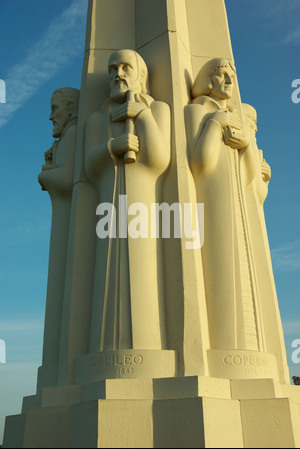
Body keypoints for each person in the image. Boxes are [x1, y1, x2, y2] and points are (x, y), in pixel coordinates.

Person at [85, 50, 171, 352]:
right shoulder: (98, 118)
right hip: (108, 202)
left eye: (125, 67)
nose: (117, 74)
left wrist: (141, 115)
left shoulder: (157, 109)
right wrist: (112, 146)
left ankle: (147, 343)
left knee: (143, 268)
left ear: (141, 75)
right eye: (111, 68)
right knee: (106, 273)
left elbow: (160, 158)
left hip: (144, 199)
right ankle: (108, 348)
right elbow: (88, 166)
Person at [185, 58, 263, 351]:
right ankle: (223, 344)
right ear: (207, 79)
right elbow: (200, 162)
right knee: (218, 262)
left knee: (243, 265)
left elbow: (250, 176)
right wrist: (215, 125)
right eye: (221, 74)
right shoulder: (196, 111)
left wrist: (247, 146)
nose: (229, 81)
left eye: (232, 75)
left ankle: (245, 346)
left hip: (238, 202)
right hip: (211, 199)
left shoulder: (238, 117)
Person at [37, 87, 80, 388]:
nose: (51, 116)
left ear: (71, 109)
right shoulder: (67, 138)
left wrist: (45, 172)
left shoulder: (75, 134)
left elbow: (65, 179)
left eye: (56, 108)